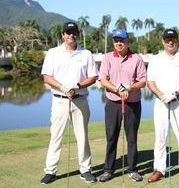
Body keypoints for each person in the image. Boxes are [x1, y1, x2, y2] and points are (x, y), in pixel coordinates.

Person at [40, 22, 98, 184]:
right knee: (56, 137)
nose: (71, 35)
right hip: (59, 100)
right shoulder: (53, 53)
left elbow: (93, 77)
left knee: (82, 136)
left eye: (74, 32)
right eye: (68, 32)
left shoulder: (85, 53)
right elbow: (47, 77)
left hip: (80, 100)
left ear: (77, 35)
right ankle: (50, 171)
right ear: (62, 35)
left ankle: (85, 170)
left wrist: (77, 86)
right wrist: (63, 87)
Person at [147, 29, 179, 186]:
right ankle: (159, 169)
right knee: (160, 138)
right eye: (167, 39)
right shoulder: (156, 59)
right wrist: (161, 95)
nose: (170, 42)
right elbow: (150, 82)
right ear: (163, 41)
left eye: (173, 39)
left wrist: (176, 94)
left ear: (178, 40)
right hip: (161, 103)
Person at [98, 28, 147, 182]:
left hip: (132, 104)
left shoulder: (136, 58)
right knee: (111, 137)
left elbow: (143, 81)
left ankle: (133, 169)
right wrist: (117, 88)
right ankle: (108, 170)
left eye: (122, 40)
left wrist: (129, 87)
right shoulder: (107, 57)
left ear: (128, 42)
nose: (119, 43)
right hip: (113, 103)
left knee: (131, 138)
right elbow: (103, 79)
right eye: (116, 40)